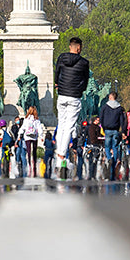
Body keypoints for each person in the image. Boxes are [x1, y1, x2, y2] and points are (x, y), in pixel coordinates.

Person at [53, 37, 91, 179]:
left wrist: (58, 84)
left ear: (70, 47)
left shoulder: (61, 58)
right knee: (70, 126)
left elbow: (57, 73)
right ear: (79, 48)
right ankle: (61, 155)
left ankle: (59, 159)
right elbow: (85, 80)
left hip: (62, 95)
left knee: (61, 125)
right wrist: (79, 89)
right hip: (74, 96)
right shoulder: (84, 62)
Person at [99, 91, 124, 179]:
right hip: (116, 130)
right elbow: (122, 120)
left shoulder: (105, 107)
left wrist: (103, 125)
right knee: (115, 147)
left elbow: (101, 117)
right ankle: (113, 162)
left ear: (110, 97)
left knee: (107, 146)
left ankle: (109, 158)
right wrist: (122, 130)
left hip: (107, 129)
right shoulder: (120, 108)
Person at [19, 106, 44, 177]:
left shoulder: (26, 119)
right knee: (34, 151)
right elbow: (39, 128)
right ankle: (34, 163)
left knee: (29, 151)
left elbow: (23, 128)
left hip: (27, 137)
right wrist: (41, 136)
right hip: (34, 136)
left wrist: (19, 135)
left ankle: (29, 163)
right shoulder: (36, 120)